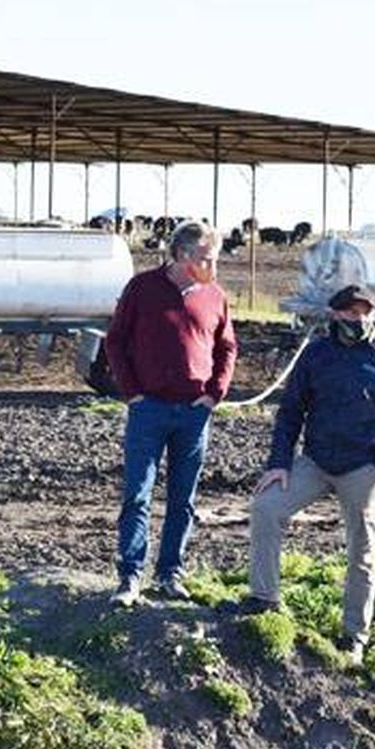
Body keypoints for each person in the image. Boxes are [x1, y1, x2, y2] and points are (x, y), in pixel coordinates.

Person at [247, 283, 375, 664]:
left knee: (364, 550)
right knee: (266, 507)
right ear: (335, 315)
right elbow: (291, 412)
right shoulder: (316, 356)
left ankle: (354, 636)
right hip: (315, 461)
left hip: (364, 466)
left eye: (363, 313)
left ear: (372, 316)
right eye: (348, 312)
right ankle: (264, 599)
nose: (356, 319)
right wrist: (279, 463)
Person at [105, 219, 238, 606]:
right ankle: (130, 577)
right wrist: (131, 393)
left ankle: (169, 575)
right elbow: (116, 341)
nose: (212, 265)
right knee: (138, 494)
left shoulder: (215, 296)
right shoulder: (143, 288)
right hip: (149, 410)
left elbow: (227, 347)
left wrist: (215, 393)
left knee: (183, 499)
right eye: (206, 258)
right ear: (182, 255)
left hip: (193, 413)